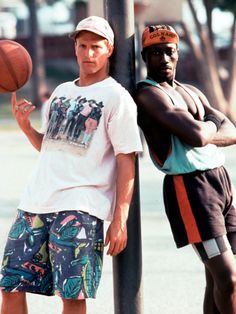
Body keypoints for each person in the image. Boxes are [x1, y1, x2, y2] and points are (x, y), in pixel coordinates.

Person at [0, 16, 142, 314]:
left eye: (96, 47)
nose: (89, 53)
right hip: (35, 203)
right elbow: (51, 147)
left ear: (109, 49)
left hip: (81, 208)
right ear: (75, 49)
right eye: (83, 46)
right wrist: (26, 128)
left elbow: (126, 159)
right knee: (10, 286)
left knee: (72, 295)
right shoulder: (61, 91)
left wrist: (120, 219)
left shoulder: (117, 98)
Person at [135, 24, 236, 314]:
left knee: (215, 278)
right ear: (144, 57)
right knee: (228, 278)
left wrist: (205, 129)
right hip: (191, 188)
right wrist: (209, 126)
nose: (163, 58)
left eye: (169, 52)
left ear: (178, 54)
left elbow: (231, 130)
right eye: (155, 53)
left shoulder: (190, 91)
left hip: (221, 182)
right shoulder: (147, 95)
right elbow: (198, 136)